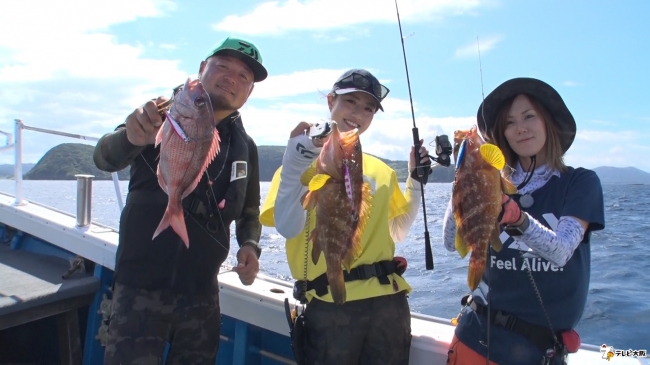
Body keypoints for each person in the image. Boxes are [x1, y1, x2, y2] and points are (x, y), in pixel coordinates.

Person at [93, 36, 267, 365]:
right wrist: (130, 137)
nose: (233, 78)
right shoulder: (160, 116)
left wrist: (250, 246)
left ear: (249, 91)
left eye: (244, 76)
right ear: (202, 69)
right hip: (139, 290)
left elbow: (249, 212)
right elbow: (104, 159)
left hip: (202, 298)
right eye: (223, 66)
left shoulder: (246, 148)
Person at [260, 69, 431, 365]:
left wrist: (415, 180)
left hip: (389, 305)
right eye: (350, 101)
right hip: (330, 306)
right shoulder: (297, 166)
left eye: (368, 108)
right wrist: (294, 166)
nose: (359, 114)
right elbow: (288, 227)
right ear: (331, 102)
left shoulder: (381, 170)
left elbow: (398, 231)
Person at [443, 77, 605, 364]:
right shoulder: (494, 178)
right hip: (473, 338)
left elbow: (562, 251)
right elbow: (448, 241)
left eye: (529, 116)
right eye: (509, 122)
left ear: (548, 122)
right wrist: (463, 177)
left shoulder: (580, 182)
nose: (520, 128)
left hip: (535, 353)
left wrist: (520, 219)